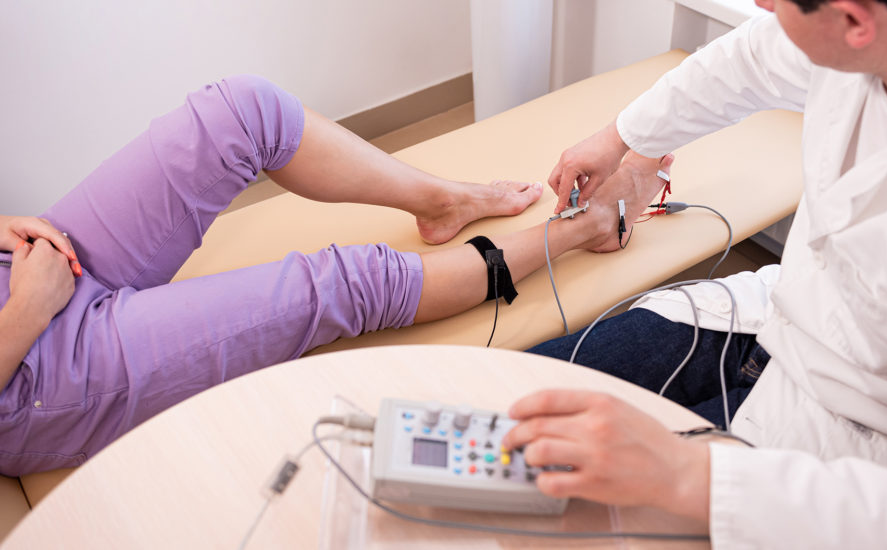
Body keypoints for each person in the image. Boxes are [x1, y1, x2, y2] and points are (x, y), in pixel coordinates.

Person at [503, 0, 887, 548]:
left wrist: (683, 473)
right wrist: (622, 137)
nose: (760, 3)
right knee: (491, 410)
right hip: (766, 318)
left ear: (855, 22)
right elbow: (750, 59)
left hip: (866, 431)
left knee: (549, 523)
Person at [0, 75, 666, 476]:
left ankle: (441, 201)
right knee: (343, 285)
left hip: (21, 264)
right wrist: (29, 310)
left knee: (243, 110)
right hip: (31, 367)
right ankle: (585, 228)